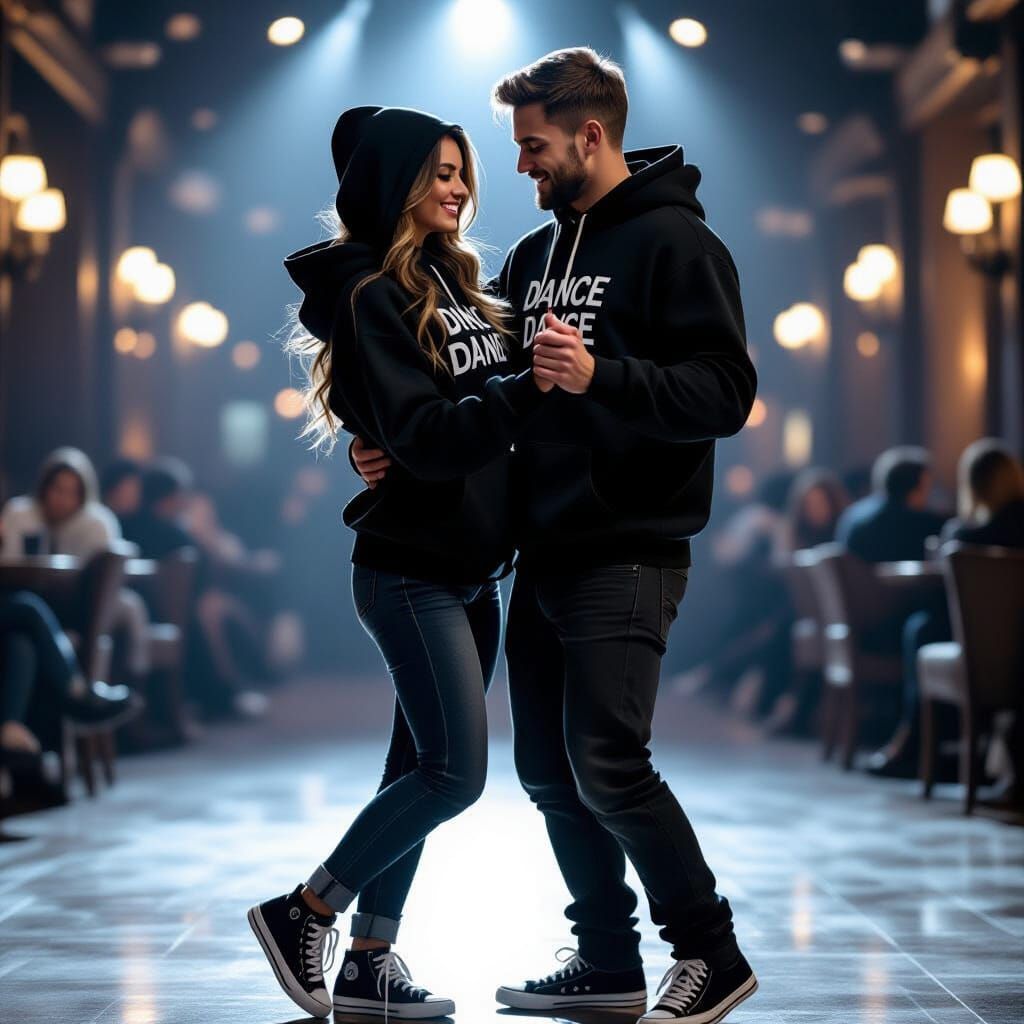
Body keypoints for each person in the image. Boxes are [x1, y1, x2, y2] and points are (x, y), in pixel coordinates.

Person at [355, 47, 759, 1024]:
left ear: (590, 134)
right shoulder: (532, 262)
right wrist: (392, 451)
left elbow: (726, 392)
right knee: (546, 768)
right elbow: (478, 397)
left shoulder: (675, 244)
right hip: (536, 549)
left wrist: (604, 378)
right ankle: (609, 960)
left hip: (629, 545)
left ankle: (711, 952)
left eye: (533, 148)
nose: (522, 169)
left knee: (608, 760)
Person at [247, 106, 548, 1021]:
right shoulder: (373, 294)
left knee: (410, 771)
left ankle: (370, 960)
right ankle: (304, 912)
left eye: (464, 173)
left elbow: (434, 420)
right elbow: (426, 434)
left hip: (475, 571)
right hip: (410, 569)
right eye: (441, 171)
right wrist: (526, 386)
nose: (459, 187)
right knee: (455, 774)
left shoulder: (457, 285)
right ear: (399, 183)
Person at [867, 439, 1024, 779]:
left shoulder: (963, 536)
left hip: (982, 657)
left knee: (922, 627)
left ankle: (920, 745)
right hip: (1016, 651)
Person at [1, 447, 121, 557]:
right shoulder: (19, 513)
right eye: (58, 490)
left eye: (73, 493)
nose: (63, 500)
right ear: (44, 488)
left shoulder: (95, 523)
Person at [835, 446, 947, 563]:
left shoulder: (851, 515)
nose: (929, 495)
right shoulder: (922, 525)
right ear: (913, 490)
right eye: (927, 488)